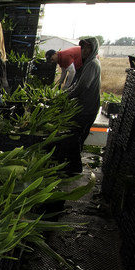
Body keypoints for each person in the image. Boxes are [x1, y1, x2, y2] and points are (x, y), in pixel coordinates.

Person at [58, 37, 101, 175]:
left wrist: (66, 96)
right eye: (83, 48)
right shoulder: (87, 64)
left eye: (88, 48)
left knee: (75, 136)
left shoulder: (93, 64)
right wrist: (65, 93)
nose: (84, 51)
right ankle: (72, 165)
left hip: (87, 108)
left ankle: (75, 167)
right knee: (76, 136)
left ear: (93, 49)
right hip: (84, 106)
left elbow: (82, 86)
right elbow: (77, 84)